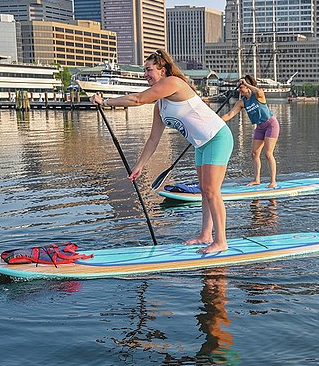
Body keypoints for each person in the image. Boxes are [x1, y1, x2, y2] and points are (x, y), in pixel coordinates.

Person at [90, 50, 233, 255]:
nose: (145, 74)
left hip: (217, 138)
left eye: (149, 70)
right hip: (201, 144)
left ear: (162, 70)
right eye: (144, 71)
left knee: (211, 191)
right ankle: (206, 235)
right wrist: (139, 166)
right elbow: (153, 140)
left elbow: (138, 99)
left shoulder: (173, 82)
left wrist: (105, 101)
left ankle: (221, 241)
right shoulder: (161, 106)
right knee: (205, 192)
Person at [221, 75, 280, 188]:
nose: (239, 88)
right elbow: (229, 115)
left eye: (241, 86)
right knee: (254, 153)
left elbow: (259, 91)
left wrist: (246, 84)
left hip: (270, 125)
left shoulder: (258, 96)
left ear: (247, 87)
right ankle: (257, 179)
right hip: (259, 127)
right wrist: (216, 121)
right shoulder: (242, 102)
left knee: (268, 153)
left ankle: (273, 181)